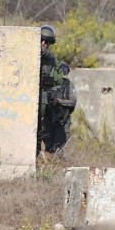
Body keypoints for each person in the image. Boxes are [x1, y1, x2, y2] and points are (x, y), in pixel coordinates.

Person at [37, 25, 64, 155]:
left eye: (46, 42)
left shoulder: (50, 58)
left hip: (43, 95)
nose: (43, 44)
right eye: (41, 40)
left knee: (44, 126)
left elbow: (58, 79)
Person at [50, 62, 77, 152]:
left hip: (63, 118)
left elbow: (73, 102)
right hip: (49, 118)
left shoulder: (68, 84)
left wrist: (59, 101)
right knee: (48, 145)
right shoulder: (49, 83)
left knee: (60, 146)